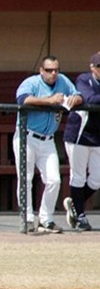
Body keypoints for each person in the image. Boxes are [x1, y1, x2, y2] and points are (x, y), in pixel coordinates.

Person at [14, 56, 82, 234]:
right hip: (26, 135)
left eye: (56, 70)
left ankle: (46, 219)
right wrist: (50, 101)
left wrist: (76, 98)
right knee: (25, 178)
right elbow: (23, 99)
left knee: (54, 179)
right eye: (49, 70)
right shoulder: (32, 82)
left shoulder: (63, 81)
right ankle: (27, 218)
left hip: (48, 138)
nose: (54, 74)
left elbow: (78, 95)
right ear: (41, 70)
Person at [63, 52, 100, 231]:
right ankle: (80, 216)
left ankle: (74, 203)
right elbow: (90, 99)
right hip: (79, 134)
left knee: (97, 179)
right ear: (92, 67)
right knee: (78, 175)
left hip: (98, 137)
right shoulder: (84, 79)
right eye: (99, 66)